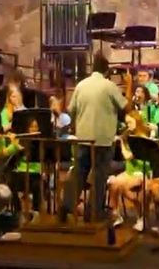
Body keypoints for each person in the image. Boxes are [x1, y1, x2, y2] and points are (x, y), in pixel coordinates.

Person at [61, 54, 130, 222]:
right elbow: (126, 106)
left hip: (82, 138)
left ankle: (66, 206)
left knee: (78, 172)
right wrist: (129, 85)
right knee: (99, 176)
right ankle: (93, 212)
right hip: (103, 140)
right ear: (107, 70)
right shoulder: (109, 86)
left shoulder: (81, 85)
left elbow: (71, 110)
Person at [109, 110, 152, 232]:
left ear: (137, 122)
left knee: (124, 186)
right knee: (113, 184)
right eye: (127, 123)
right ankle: (116, 213)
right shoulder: (129, 135)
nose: (128, 125)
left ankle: (142, 216)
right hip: (129, 171)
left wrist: (121, 142)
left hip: (141, 171)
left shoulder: (141, 138)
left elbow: (128, 156)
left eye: (130, 122)